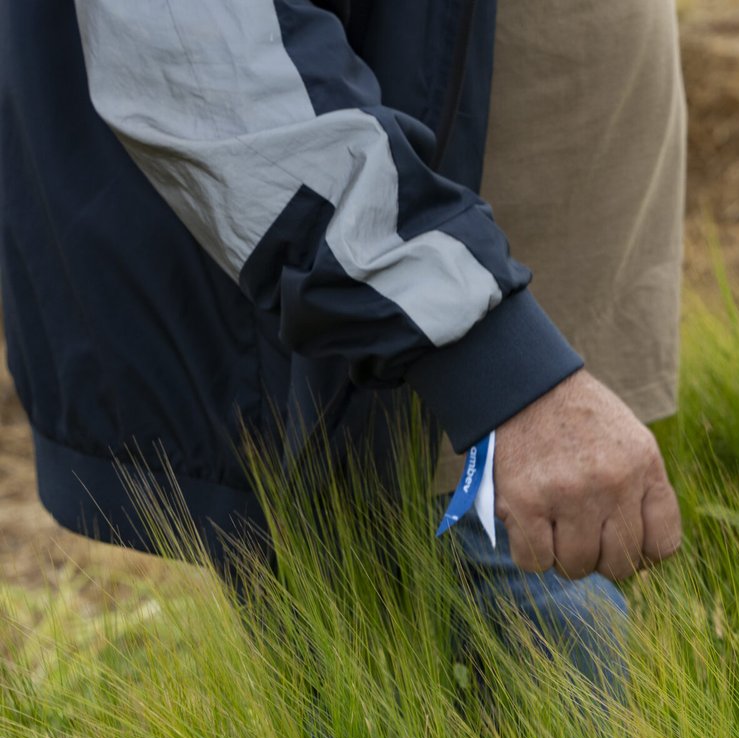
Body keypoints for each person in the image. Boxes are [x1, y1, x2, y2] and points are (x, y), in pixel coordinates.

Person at [0, 0, 687, 671]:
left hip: (525, 331)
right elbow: (201, 48)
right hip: (418, 364)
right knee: (512, 708)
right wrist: (496, 366)